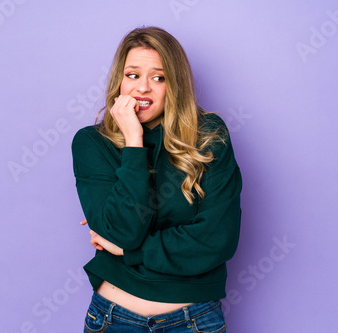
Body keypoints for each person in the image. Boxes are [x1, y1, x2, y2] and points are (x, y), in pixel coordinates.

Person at [71, 26, 242, 332]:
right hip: (113, 319)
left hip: (194, 322)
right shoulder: (92, 144)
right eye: (133, 75)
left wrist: (131, 252)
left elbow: (218, 238)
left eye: (159, 77)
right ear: (119, 81)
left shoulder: (208, 135)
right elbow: (125, 231)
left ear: (174, 85)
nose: (143, 88)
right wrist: (134, 142)